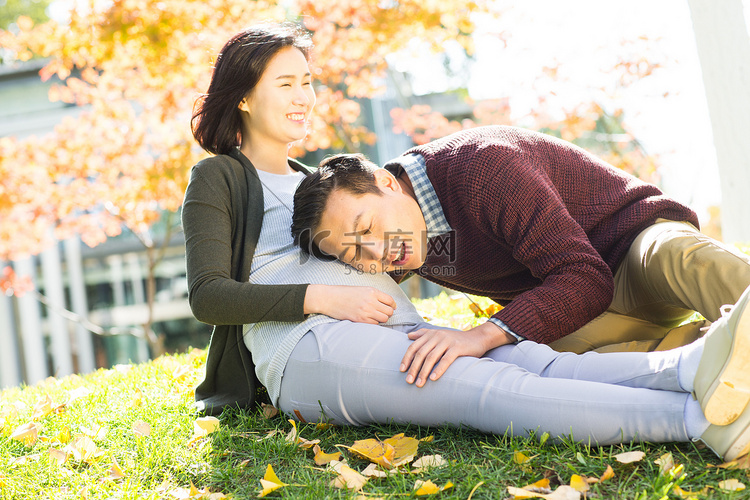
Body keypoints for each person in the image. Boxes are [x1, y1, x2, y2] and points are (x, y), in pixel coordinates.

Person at [184, 22, 750, 463]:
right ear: (243, 96)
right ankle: (703, 417)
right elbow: (209, 295)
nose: (304, 96)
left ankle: (696, 364)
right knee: (498, 377)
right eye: (286, 84)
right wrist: (324, 297)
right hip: (313, 344)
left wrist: (476, 332)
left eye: (307, 81)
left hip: (593, 264)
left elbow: (400, 239)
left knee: (534, 354)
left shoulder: (330, 182)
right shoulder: (223, 177)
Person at [290, 127, 750, 423]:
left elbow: (583, 275)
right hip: (589, 306)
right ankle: (721, 361)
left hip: (631, 247)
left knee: (680, 255)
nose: (378, 253)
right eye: (356, 254)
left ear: (386, 182)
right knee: (555, 361)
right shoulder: (409, 234)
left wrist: (482, 334)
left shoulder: (482, 168)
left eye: (367, 228)